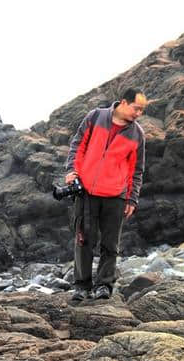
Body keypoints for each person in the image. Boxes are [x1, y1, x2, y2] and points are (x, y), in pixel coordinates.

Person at [64, 88, 147, 301]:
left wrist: (132, 198)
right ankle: (82, 286)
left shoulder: (137, 134)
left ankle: (104, 286)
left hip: (116, 195)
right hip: (86, 191)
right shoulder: (95, 117)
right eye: (136, 108)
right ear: (123, 102)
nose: (139, 114)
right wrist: (72, 171)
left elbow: (136, 170)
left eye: (142, 110)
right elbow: (77, 145)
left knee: (111, 244)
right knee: (83, 240)